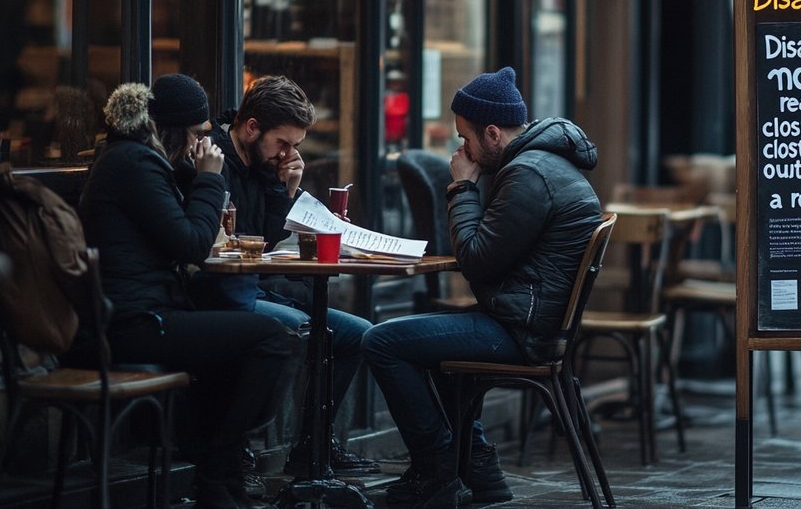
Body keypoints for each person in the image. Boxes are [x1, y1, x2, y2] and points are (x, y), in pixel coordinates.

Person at [362, 66, 602, 507]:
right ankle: (481, 473)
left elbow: (473, 258)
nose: (462, 148)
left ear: (492, 134)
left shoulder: (528, 175)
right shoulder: (544, 163)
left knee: (382, 340)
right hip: (530, 322)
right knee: (428, 345)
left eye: (466, 138)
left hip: (522, 331)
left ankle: (435, 473)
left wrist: (461, 187)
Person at [78, 78, 291, 509]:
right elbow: (194, 245)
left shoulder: (136, 160)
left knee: (239, 348)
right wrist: (210, 178)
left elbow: (183, 238)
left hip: (140, 314)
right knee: (271, 339)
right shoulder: (134, 165)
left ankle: (223, 479)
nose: (203, 144)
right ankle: (215, 469)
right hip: (130, 323)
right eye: (198, 134)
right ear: (172, 130)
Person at [198, 74, 378, 476]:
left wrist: (287, 189)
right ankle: (238, 445)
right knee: (295, 328)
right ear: (251, 127)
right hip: (223, 291)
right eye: (284, 143)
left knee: (358, 333)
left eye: (295, 146)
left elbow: (275, 240)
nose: (289, 154)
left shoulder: (267, 164)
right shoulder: (214, 160)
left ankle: (314, 445)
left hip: (263, 285)